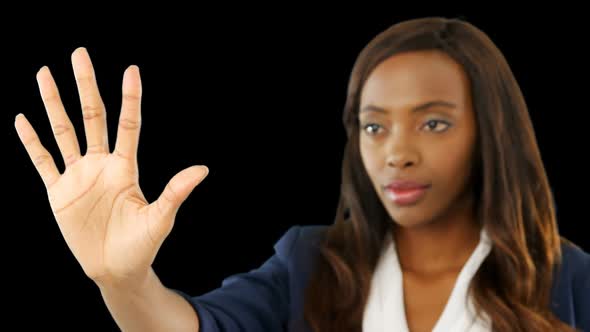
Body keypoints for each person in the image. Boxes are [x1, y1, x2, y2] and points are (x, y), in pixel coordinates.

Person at [14, 16, 589, 332]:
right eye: (374, 127)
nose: (397, 153)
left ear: (492, 132)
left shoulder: (571, 280)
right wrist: (123, 282)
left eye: (433, 124)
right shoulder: (310, 264)